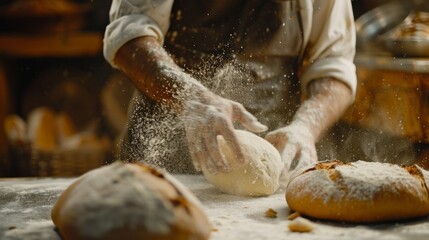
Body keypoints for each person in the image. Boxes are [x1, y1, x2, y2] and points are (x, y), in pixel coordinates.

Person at [103, 0, 357, 177]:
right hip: (159, 162)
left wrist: (305, 127)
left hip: (271, 161)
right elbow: (129, 34)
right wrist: (192, 98)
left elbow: (334, 63)